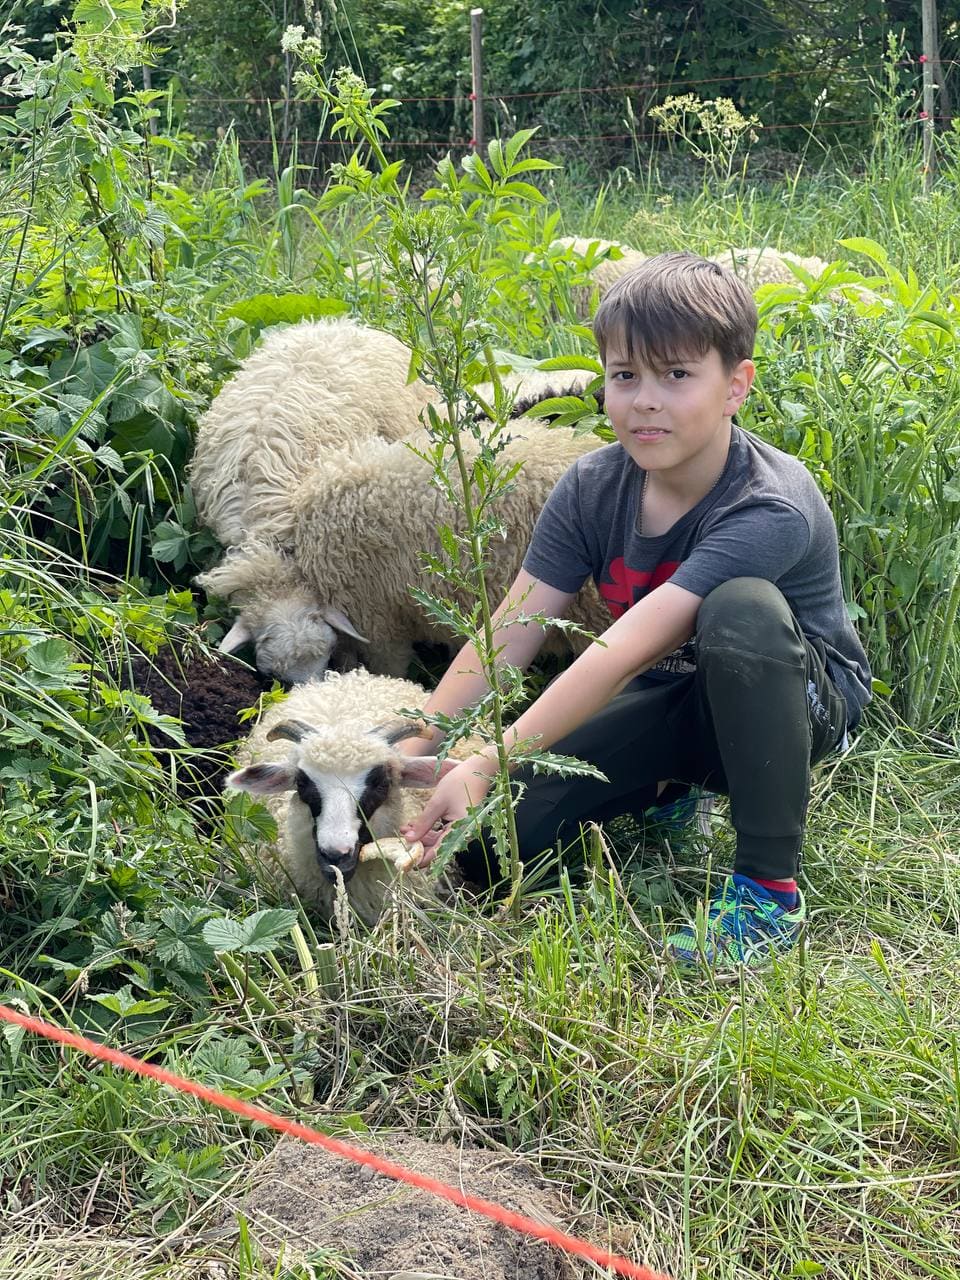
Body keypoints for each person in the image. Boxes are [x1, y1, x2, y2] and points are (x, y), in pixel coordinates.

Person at [399, 251, 871, 970]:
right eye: (625, 376)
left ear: (735, 386)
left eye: (677, 375)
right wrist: (414, 754)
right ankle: (668, 787)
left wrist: (490, 760)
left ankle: (768, 891)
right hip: (671, 695)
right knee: (492, 849)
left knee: (739, 610)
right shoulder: (592, 485)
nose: (646, 400)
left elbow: (627, 648)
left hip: (792, 703)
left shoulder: (769, 503)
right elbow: (514, 628)